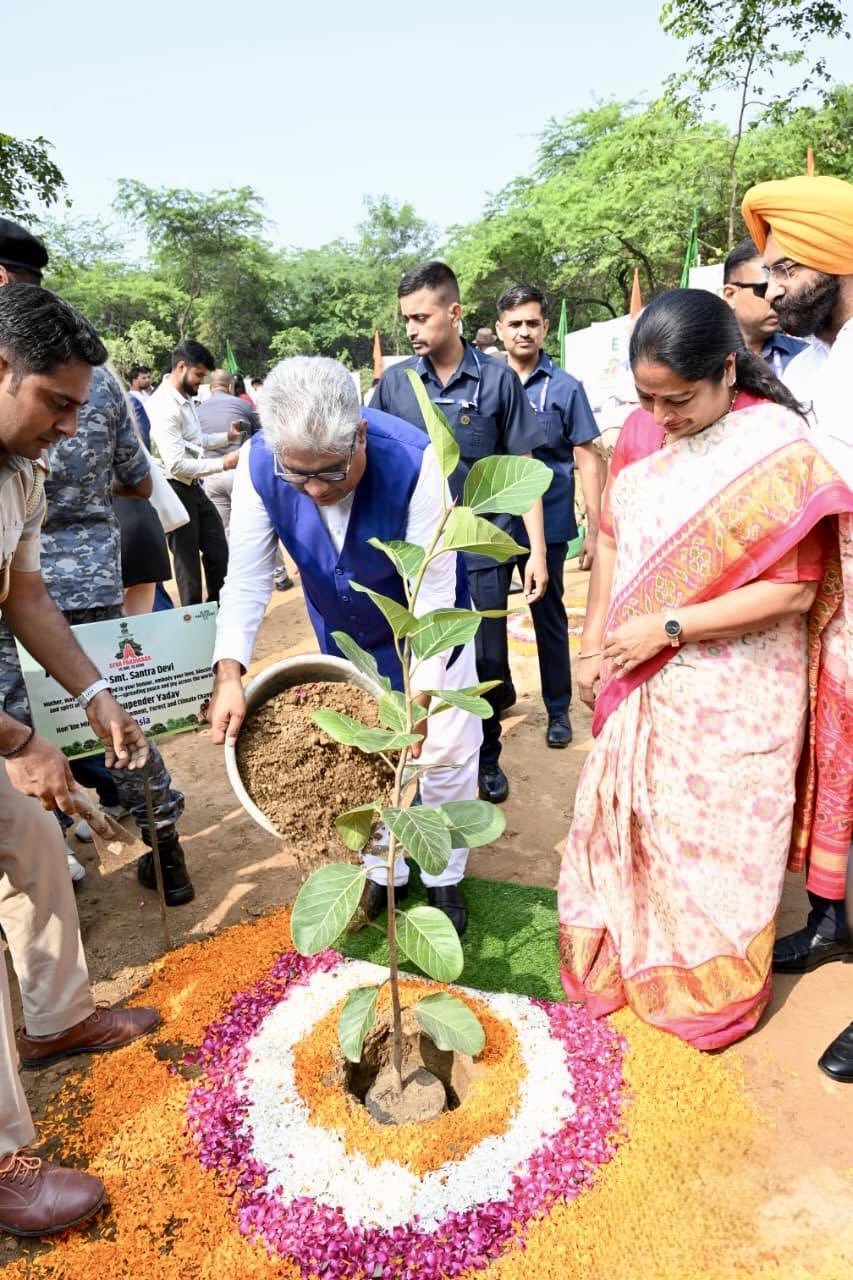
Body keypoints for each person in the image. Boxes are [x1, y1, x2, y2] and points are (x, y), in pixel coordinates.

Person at [558, 287, 853, 1051]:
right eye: (648, 399)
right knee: (645, 825)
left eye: (679, 399)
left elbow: (792, 590)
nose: (663, 417)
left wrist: (668, 625)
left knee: (719, 846)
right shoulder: (641, 435)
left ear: (729, 369)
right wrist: (593, 644)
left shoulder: (774, 447)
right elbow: (614, 544)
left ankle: (709, 988)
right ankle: (641, 955)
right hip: (646, 677)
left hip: (741, 690)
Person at [208, 357, 482, 935]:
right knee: (364, 764)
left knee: (441, 762)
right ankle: (386, 876)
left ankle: (446, 878)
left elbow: (432, 594)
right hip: (345, 646)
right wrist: (229, 672)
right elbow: (250, 577)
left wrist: (423, 697)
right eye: (297, 476)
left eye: (329, 473)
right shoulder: (264, 463)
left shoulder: (413, 460)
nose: (311, 489)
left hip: (428, 640)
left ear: (359, 434)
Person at [0, 283, 160, 1237]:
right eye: (55, 404)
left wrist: (94, 696)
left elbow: (23, 596)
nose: (69, 427)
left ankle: (56, 1018)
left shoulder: (22, 469)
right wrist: (19, 741)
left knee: (29, 839)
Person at [0, 363, 193, 905]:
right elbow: (139, 480)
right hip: (90, 580)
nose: (64, 424)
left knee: (65, 719)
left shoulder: (44, 381)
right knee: (112, 723)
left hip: (28, 589)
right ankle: (167, 852)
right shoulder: (100, 381)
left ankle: (56, 863)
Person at [742, 173, 853, 1082]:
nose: (769, 286)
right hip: (836, 617)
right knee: (831, 777)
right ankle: (831, 918)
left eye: (784, 266)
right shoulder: (818, 358)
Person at [374, 261, 548, 804]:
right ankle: (416, 763)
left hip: (482, 552)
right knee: (422, 664)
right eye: (406, 319)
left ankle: (486, 758)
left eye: (421, 317)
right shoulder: (394, 385)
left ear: (453, 313)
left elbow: (522, 472)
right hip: (419, 560)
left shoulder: (497, 380)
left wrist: (536, 551)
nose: (412, 329)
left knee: (488, 662)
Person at [496, 284, 602, 747]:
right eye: (515, 323)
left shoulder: (565, 388)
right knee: (484, 616)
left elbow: (586, 455)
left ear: (544, 328)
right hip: (492, 524)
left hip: (552, 521)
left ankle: (557, 709)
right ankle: (497, 695)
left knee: (548, 615)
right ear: (500, 330)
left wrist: (595, 526)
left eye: (532, 323)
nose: (524, 331)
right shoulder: (483, 383)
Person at [147, 340, 236, 605]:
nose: (201, 382)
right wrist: (224, 463)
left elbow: (196, 443)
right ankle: (194, 617)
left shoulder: (185, 399)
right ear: (181, 367)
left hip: (193, 486)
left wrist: (226, 437)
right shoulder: (164, 406)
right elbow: (176, 463)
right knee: (187, 564)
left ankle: (220, 608)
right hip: (173, 488)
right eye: (198, 375)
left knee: (217, 548)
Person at [722, 237, 806, 377]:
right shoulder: (703, 358)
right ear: (730, 295)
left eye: (783, 287)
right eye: (764, 288)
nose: (774, 295)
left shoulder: (805, 356)